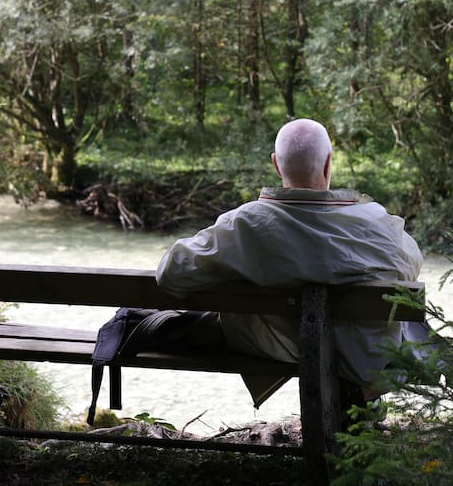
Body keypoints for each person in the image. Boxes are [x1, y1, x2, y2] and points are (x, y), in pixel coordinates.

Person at [155, 118, 424, 405]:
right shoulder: (380, 224)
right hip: (361, 362)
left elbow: (170, 273)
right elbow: (411, 268)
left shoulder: (246, 224)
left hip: (281, 347)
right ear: (328, 163)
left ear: (276, 164)